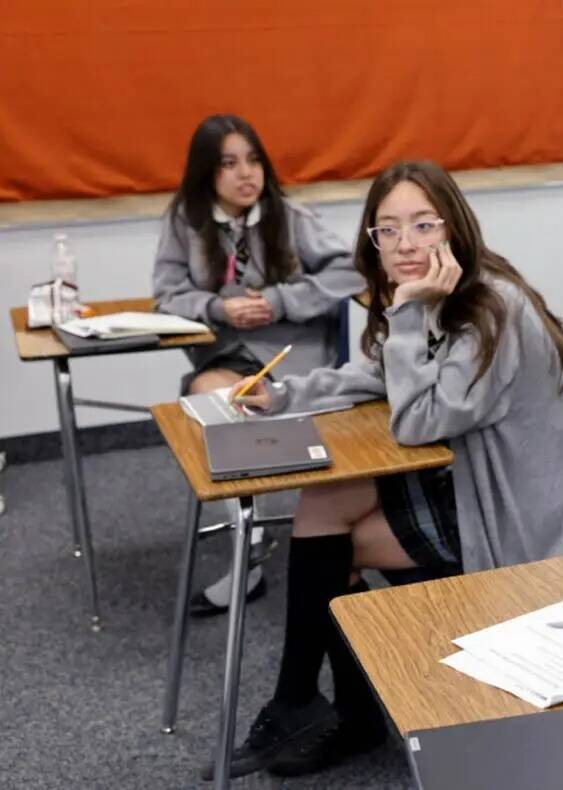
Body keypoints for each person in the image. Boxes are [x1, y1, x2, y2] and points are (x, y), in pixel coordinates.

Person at [209, 160, 563, 779]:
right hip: (463, 479)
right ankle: (301, 698)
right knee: (323, 503)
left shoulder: (491, 308)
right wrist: (287, 395)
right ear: (373, 240)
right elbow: (386, 371)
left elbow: (416, 421)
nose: (406, 244)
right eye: (389, 230)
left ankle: (336, 713)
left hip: (504, 514)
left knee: (334, 547)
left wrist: (406, 310)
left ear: (453, 227)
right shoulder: (446, 293)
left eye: (422, 225)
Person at [153, 114, 365, 614]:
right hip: (229, 352)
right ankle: (246, 549)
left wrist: (280, 300)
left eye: (253, 161)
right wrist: (216, 308)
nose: (246, 174)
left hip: (293, 356)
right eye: (229, 164)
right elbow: (166, 298)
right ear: (207, 172)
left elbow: (349, 270)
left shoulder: (287, 217)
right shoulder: (186, 220)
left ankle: (282, 535)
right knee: (212, 395)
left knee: (224, 400)